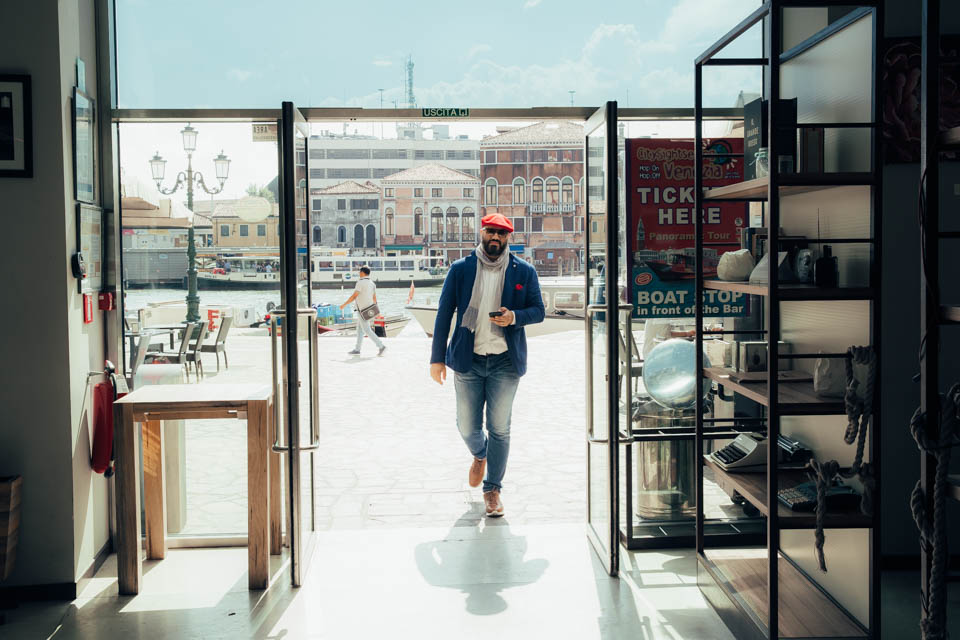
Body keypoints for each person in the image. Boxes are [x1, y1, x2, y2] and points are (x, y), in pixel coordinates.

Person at [429, 213, 545, 517]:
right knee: (466, 425)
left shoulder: (524, 272)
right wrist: (436, 359)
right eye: (492, 232)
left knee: (500, 429)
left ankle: (492, 489)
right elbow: (444, 314)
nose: (496, 238)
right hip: (468, 360)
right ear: (482, 232)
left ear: (509, 238)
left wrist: (514, 317)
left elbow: (538, 311)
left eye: (502, 234)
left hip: (506, 362)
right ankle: (480, 455)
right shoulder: (460, 270)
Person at [340, 265, 386, 356]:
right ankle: (357, 349)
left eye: (359, 272)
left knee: (367, 330)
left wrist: (344, 305)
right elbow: (374, 298)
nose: (359, 274)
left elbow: (354, 296)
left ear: (362, 272)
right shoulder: (372, 283)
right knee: (360, 330)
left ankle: (381, 346)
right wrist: (377, 311)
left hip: (362, 310)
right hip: (369, 310)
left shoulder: (360, 283)